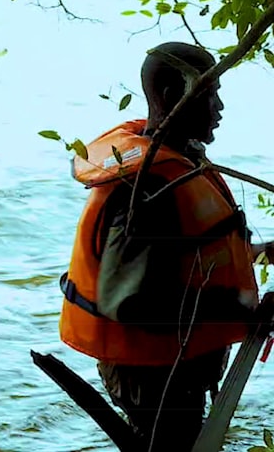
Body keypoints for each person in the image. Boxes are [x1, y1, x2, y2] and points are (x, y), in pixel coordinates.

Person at [57, 41, 273, 450]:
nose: (221, 108)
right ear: (176, 96)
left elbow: (182, 259)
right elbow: (133, 304)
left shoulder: (174, 167)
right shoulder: (151, 188)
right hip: (153, 375)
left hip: (170, 366)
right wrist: (241, 310)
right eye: (212, 95)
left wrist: (259, 250)